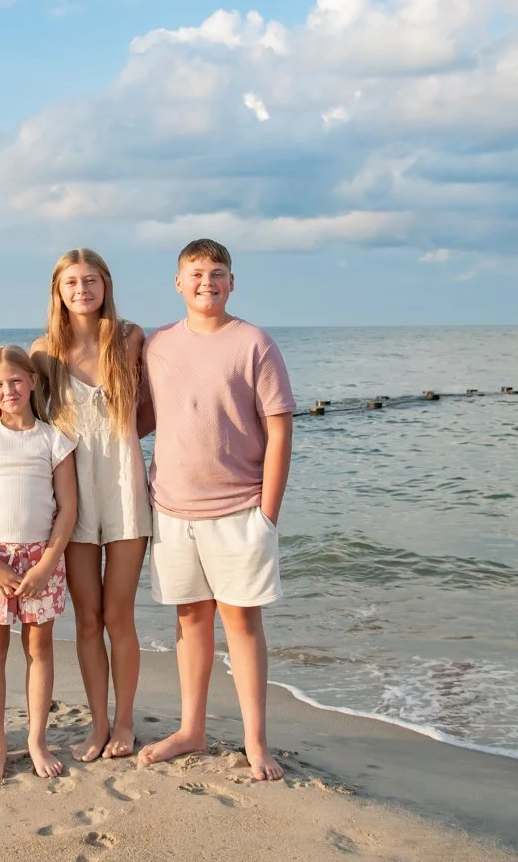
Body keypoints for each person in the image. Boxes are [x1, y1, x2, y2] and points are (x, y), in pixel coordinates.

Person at [136, 238, 295, 782]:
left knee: (242, 624)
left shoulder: (254, 344)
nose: (207, 282)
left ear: (232, 282)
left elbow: (280, 431)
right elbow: (144, 418)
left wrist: (267, 514)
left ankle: (256, 741)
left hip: (239, 509)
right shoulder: (157, 345)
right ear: (179, 283)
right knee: (190, 619)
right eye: (197, 273)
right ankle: (191, 730)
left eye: (217, 273)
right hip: (171, 508)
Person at [30, 249, 152, 762]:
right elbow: (28, 425)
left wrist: (115, 445)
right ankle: (98, 725)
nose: (82, 290)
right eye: (72, 283)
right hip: (73, 498)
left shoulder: (129, 338)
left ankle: (124, 723)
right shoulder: (43, 352)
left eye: (91, 280)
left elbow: (150, 413)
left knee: (119, 615)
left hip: (125, 490)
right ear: (58, 291)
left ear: (106, 284)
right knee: (87, 618)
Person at [0, 346, 78, 782]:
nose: (8, 391)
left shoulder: (54, 440)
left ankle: (36, 740)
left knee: (39, 649)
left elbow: (68, 509)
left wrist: (46, 565)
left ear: (33, 381)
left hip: (41, 560)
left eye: (16, 381)